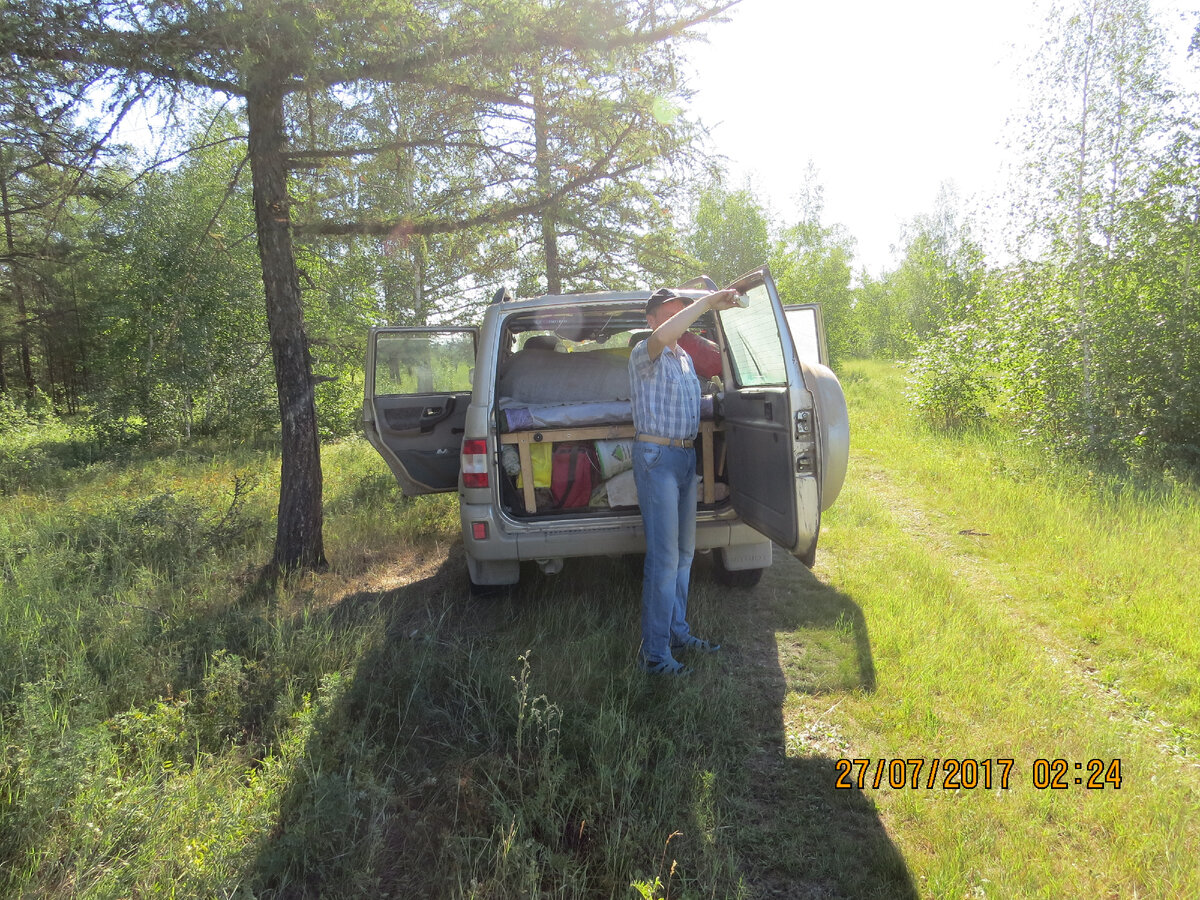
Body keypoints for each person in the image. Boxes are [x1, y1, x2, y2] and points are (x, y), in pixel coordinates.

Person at [629, 285, 742, 675]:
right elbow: (666, 335)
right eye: (672, 311)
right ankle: (655, 655)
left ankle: (677, 632)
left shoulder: (684, 361)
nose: (680, 316)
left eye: (683, 310)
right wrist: (707, 302)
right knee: (663, 560)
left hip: (683, 456)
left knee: (683, 554)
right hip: (656, 457)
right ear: (652, 319)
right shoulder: (646, 353)